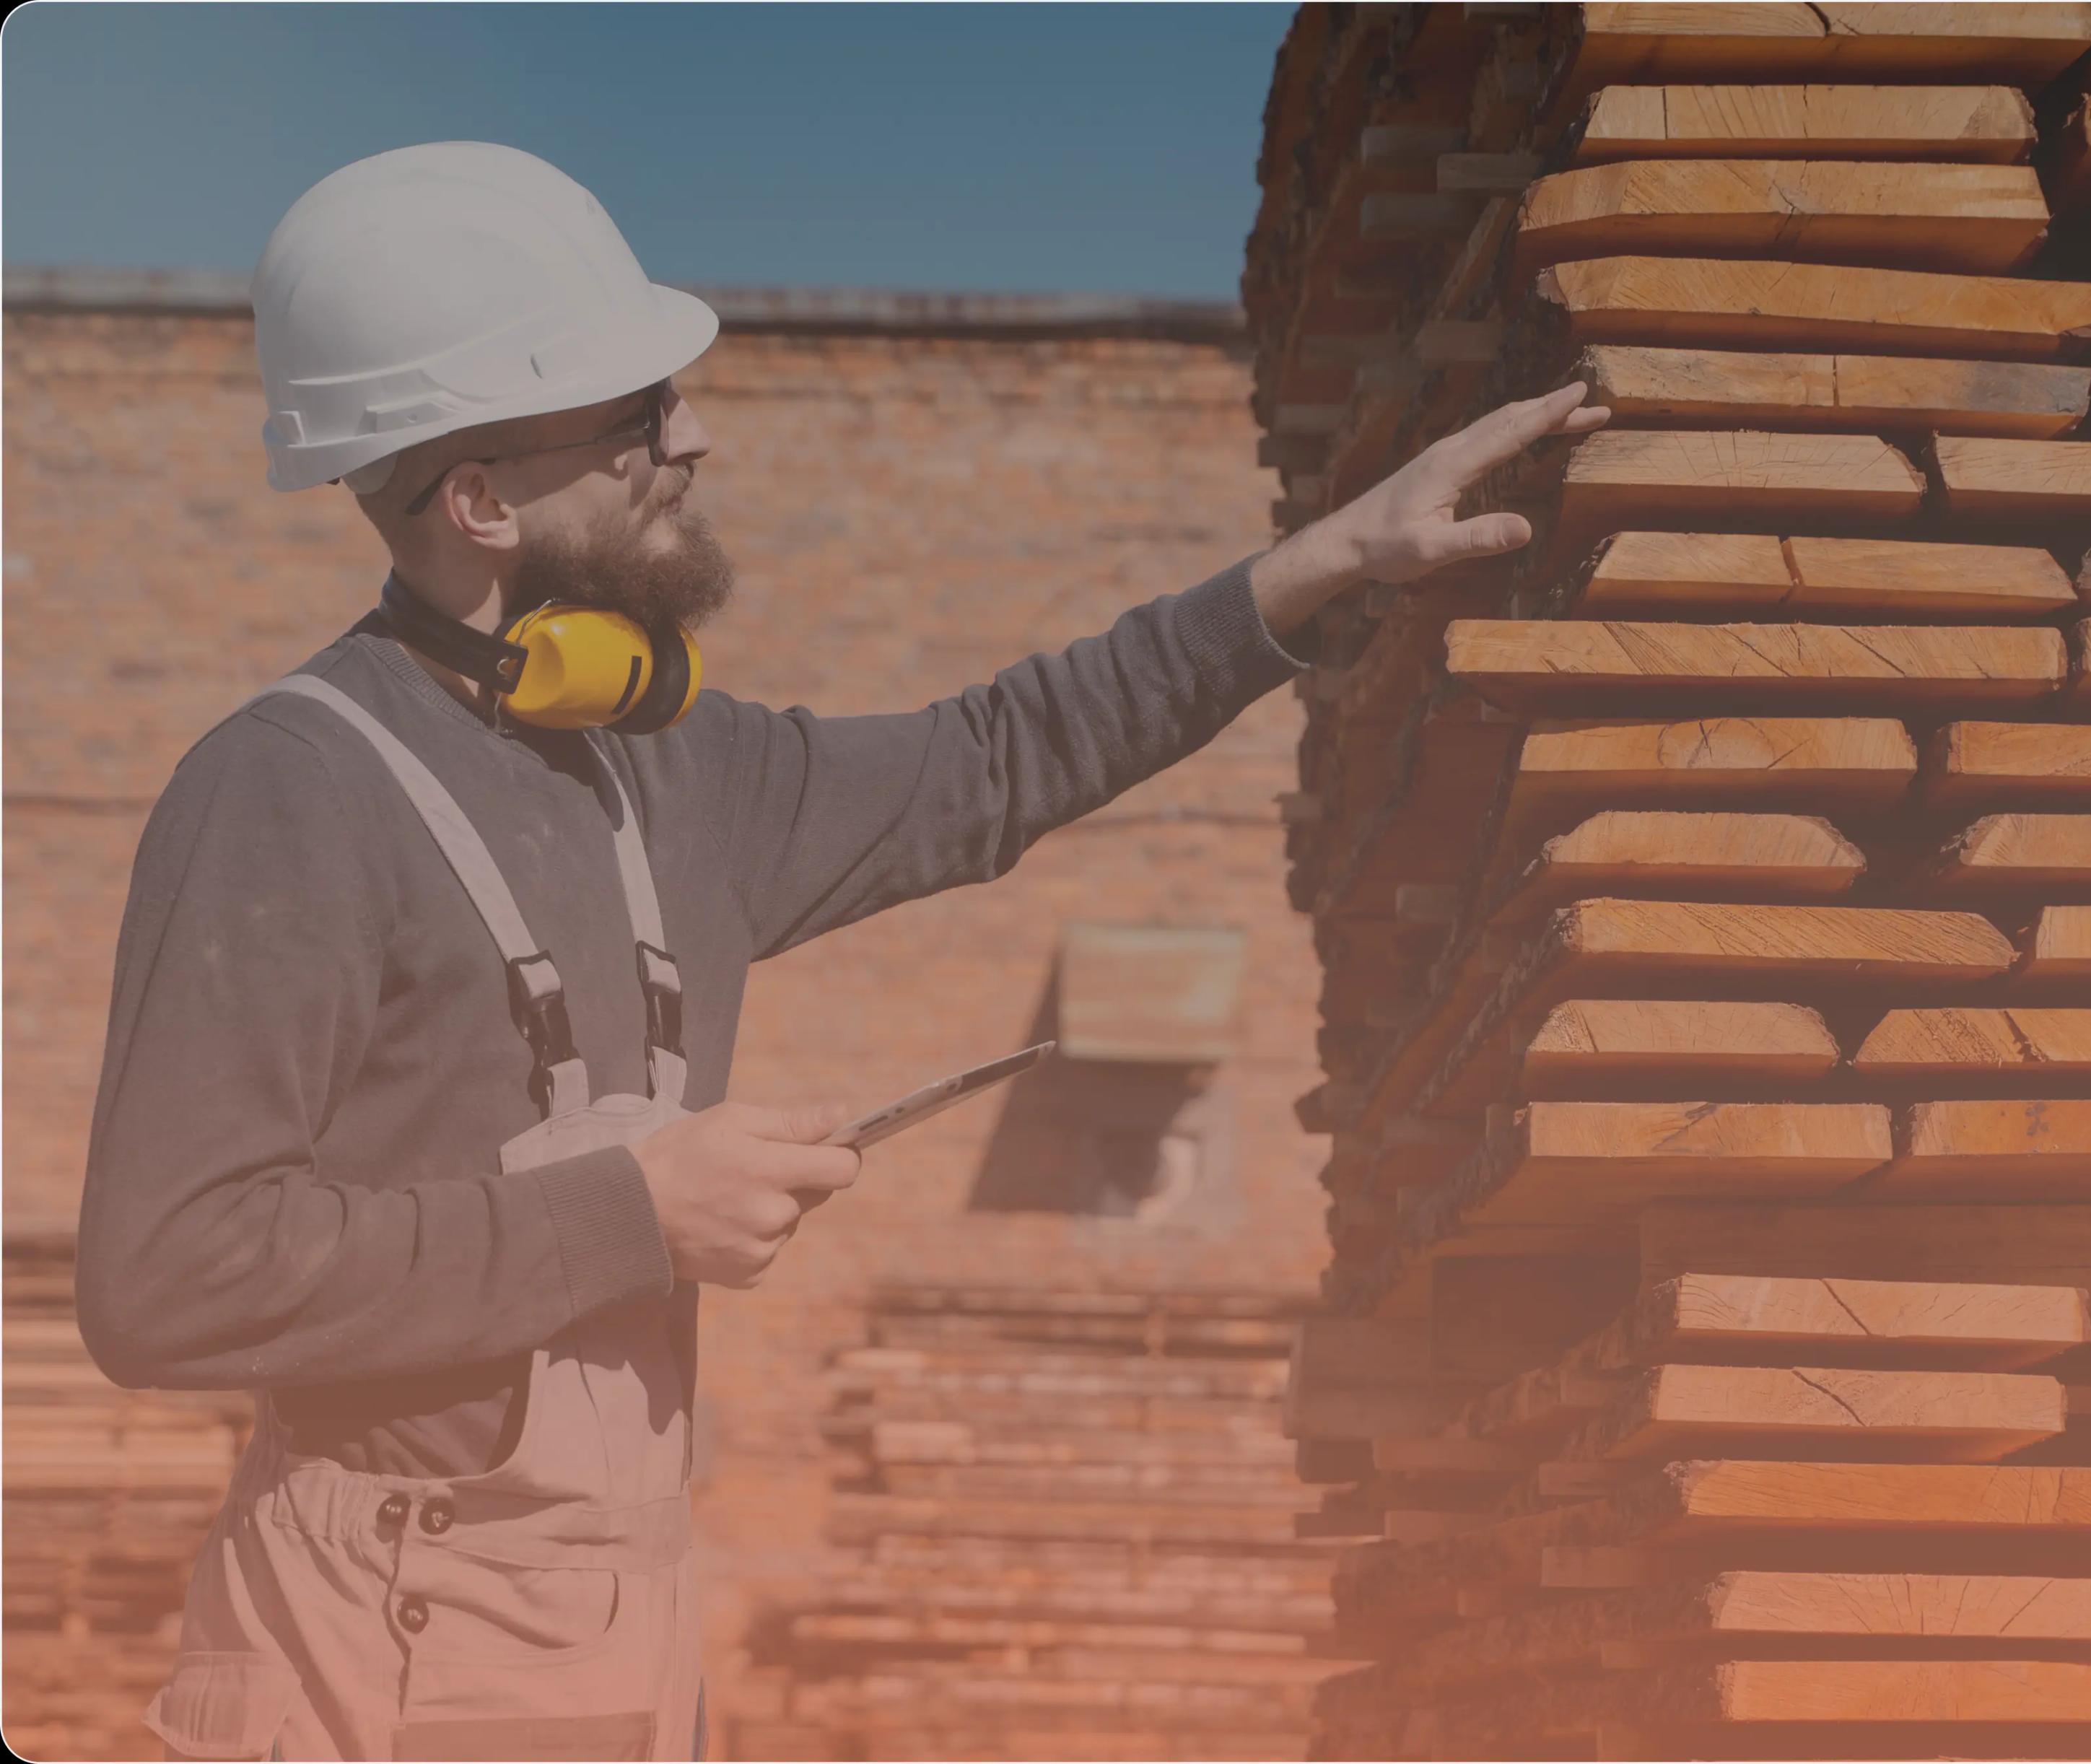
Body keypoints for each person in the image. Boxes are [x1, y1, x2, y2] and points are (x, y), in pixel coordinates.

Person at [76, 141, 1607, 1762]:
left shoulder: (675, 774)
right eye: (637, 417)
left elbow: (999, 756)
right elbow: (166, 1278)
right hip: (369, 1656)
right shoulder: (287, 788)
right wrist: (637, 1212)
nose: (696, 436)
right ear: (478, 497)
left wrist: (1329, 563)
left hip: (623, 1628)